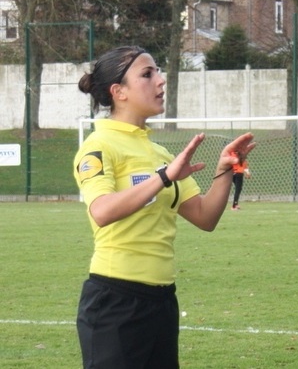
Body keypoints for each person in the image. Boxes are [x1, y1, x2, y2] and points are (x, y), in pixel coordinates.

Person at [73, 45, 255, 369]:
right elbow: (101, 210)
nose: (160, 81)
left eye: (158, 71)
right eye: (147, 74)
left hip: (162, 302)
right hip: (115, 302)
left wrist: (225, 168)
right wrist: (164, 177)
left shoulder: (159, 153)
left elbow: (204, 216)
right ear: (119, 92)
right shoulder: (98, 146)